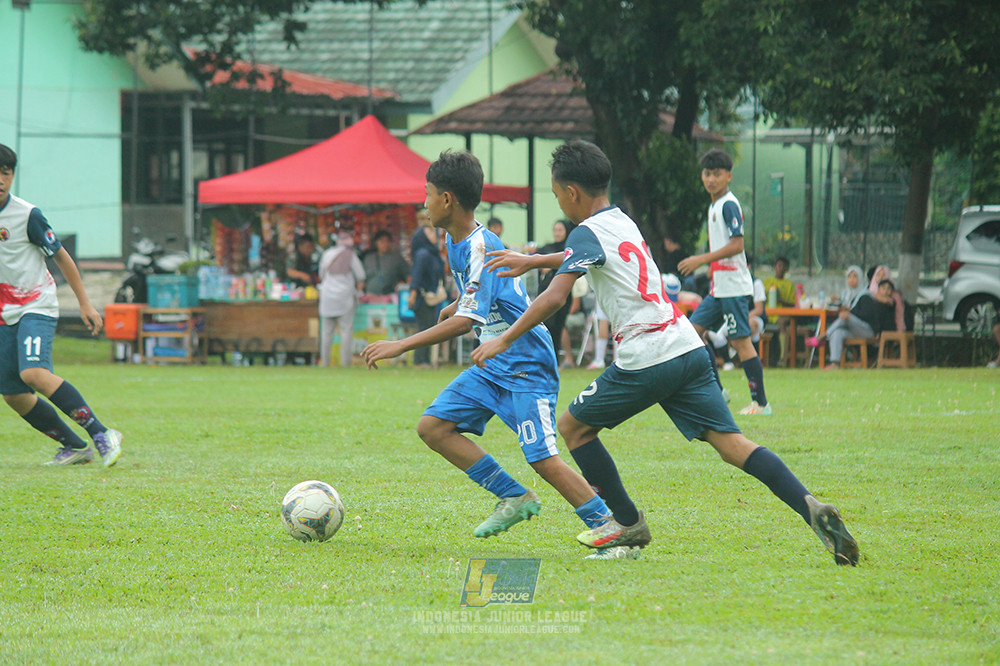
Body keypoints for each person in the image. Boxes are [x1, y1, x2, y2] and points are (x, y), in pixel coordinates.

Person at [473, 139, 859, 566]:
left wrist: (503, 339)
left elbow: (555, 298)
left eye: (557, 194)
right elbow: (587, 255)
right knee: (732, 443)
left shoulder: (584, 232)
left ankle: (625, 521)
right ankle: (810, 506)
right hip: (688, 348)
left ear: (571, 193)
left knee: (574, 428)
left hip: (647, 355)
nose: (559, 202)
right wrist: (534, 261)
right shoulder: (621, 220)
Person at [361, 150, 630, 560]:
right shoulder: (455, 240)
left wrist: (401, 344)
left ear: (447, 200)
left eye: (428, 194)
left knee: (542, 457)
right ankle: (513, 496)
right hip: (493, 360)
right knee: (433, 427)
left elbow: (468, 321)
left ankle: (610, 530)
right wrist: (459, 302)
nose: (424, 203)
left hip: (526, 362)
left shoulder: (481, 245)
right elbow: (479, 296)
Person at [0, 143, 123, 467]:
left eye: (6, 172)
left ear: (13, 176)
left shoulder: (27, 215)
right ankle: (75, 446)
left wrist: (84, 303)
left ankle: (102, 433)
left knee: (33, 372)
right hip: (4, 312)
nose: (0, 179)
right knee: (12, 393)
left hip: (36, 304)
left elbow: (61, 256)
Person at [679, 149, 772, 416]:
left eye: (717, 174)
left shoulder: (728, 204)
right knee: (691, 332)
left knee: (741, 342)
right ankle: (718, 392)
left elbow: (737, 244)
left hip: (733, 286)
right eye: (707, 174)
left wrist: (702, 259)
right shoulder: (714, 205)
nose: (711, 179)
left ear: (728, 176)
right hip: (720, 288)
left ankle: (761, 403)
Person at [809, 278, 899, 369]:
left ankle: (823, 336)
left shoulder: (889, 304)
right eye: (883, 288)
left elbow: (881, 320)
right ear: (878, 289)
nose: (886, 291)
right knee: (838, 332)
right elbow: (855, 311)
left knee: (846, 317)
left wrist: (881, 331)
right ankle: (834, 364)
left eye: (889, 289)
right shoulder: (866, 297)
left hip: (870, 332)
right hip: (856, 329)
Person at [317, 231, 366, 367]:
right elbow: (361, 276)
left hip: (327, 296)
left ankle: (324, 363)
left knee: (326, 333)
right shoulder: (351, 256)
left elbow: (321, 274)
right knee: (346, 331)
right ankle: (346, 363)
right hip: (344, 297)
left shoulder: (327, 254)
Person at [409, 210, 446, 368]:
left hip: (432, 297)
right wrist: (413, 294)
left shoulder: (433, 254)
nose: (433, 235)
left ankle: (425, 360)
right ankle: (420, 361)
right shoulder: (423, 254)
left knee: (429, 327)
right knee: (423, 328)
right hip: (423, 297)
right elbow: (416, 276)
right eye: (429, 232)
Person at [538, 219, 576, 366]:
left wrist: (551, 267)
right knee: (546, 327)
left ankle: (554, 361)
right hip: (545, 293)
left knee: (558, 328)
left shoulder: (570, 249)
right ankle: (546, 362)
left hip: (564, 295)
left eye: (560, 230)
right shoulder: (547, 247)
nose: (557, 233)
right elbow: (534, 258)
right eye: (555, 230)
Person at [762, 256, 796, 367]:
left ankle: (782, 358)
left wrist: (780, 300)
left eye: (784, 266)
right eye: (779, 266)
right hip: (767, 314)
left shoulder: (789, 285)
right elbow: (758, 300)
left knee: (782, 323)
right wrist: (767, 296)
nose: (781, 269)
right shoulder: (766, 282)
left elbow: (793, 305)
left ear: (787, 269)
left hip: (781, 315)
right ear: (774, 267)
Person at [361, 230, 409, 296]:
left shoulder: (397, 258)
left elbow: (409, 275)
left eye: (387, 241)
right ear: (376, 242)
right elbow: (361, 279)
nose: (385, 244)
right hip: (370, 296)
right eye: (382, 241)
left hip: (390, 296)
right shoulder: (368, 258)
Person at [868, 265, 906, 333]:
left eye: (883, 275)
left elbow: (899, 315)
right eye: (878, 275)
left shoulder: (894, 295)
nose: (880, 278)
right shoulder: (869, 291)